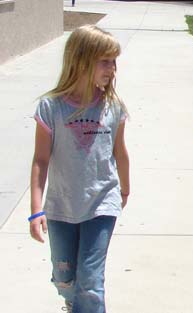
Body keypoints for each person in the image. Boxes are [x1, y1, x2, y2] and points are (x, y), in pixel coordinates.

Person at [29, 25, 130, 313]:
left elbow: (120, 152)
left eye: (114, 61)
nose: (112, 68)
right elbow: (41, 160)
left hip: (102, 203)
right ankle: (74, 302)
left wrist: (124, 188)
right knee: (65, 278)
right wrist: (36, 209)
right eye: (105, 61)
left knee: (91, 282)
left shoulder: (113, 106)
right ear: (81, 60)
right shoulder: (51, 107)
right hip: (61, 206)